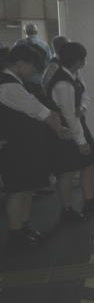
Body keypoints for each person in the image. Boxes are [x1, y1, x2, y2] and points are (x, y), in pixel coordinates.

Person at [0, 45, 71, 248]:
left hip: (21, 145)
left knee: (26, 188)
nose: (34, 72)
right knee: (18, 190)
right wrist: (59, 129)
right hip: (15, 147)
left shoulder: (13, 82)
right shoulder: (8, 86)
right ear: (20, 64)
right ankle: (16, 234)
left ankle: (24, 228)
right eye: (33, 67)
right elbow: (38, 110)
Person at [47, 42, 94, 222]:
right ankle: (67, 211)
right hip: (65, 131)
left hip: (77, 126)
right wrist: (81, 142)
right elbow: (68, 115)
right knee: (67, 171)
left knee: (89, 163)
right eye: (83, 58)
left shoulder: (74, 75)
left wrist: (82, 108)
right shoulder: (62, 83)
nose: (84, 61)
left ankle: (89, 202)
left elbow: (85, 96)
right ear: (78, 60)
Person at [15, 23, 52, 93]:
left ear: (25, 32)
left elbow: (14, 60)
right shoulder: (45, 44)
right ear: (36, 31)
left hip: (25, 79)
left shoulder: (19, 43)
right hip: (40, 79)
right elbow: (49, 62)